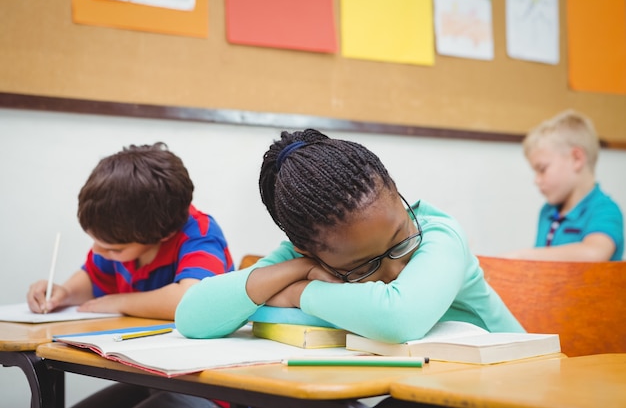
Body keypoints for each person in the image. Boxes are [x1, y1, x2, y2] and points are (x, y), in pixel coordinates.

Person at [175, 128, 524, 347]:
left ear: (399, 196)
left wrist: (298, 292)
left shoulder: (438, 232)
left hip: (511, 388)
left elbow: (399, 318)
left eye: (401, 241)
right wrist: (292, 271)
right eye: (363, 267)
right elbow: (192, 317)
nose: (394, 272)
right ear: (306, 251)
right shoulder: (302, 258)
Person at [27, 142, 234, 408]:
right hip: (150, 376)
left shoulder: (201, 234)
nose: (98, 251)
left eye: (113, 249)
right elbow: (92, 279)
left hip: (207, 385)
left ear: (164, 235)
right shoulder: (122, 236)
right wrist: (63, 293)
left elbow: (191, 299)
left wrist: (120, 301)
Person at [504, 110, 623, 261]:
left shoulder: (604, 210)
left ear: (576, 159)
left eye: (542, 169)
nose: (536, 180)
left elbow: (595, 253)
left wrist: (523, 256)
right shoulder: (547, 212)